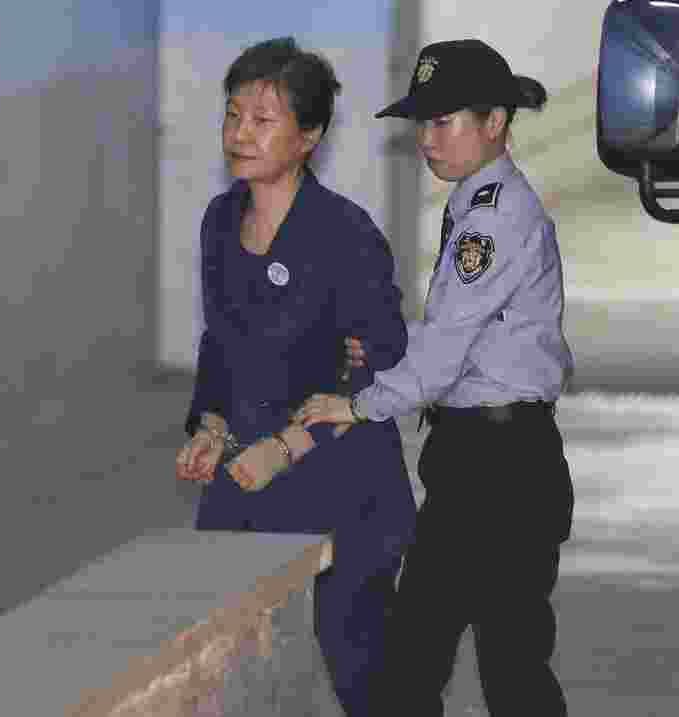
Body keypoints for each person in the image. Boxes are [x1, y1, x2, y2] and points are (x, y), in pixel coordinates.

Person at [293, 38, 575, 717]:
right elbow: (454, 339)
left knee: (505, 667)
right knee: (417, 655)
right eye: (422, 123)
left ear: (495, 123)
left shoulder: (494, 220)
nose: (427, 139)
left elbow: (444, 350)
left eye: (443, 122)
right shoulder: (478, 206)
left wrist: (360, 404)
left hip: (503, 469)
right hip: (478, 459)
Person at [172, 37, 415, 717]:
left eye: (262, 119)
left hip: (342, 481)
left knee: (361, 667)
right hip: (247, 479)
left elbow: (378, 371)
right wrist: (210, 425)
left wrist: (288, 445)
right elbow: (220, 343)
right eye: (232, 115)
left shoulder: (347, 235)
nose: (240, 133)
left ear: (308, 137)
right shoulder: (221, 222)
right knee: (215, 658)